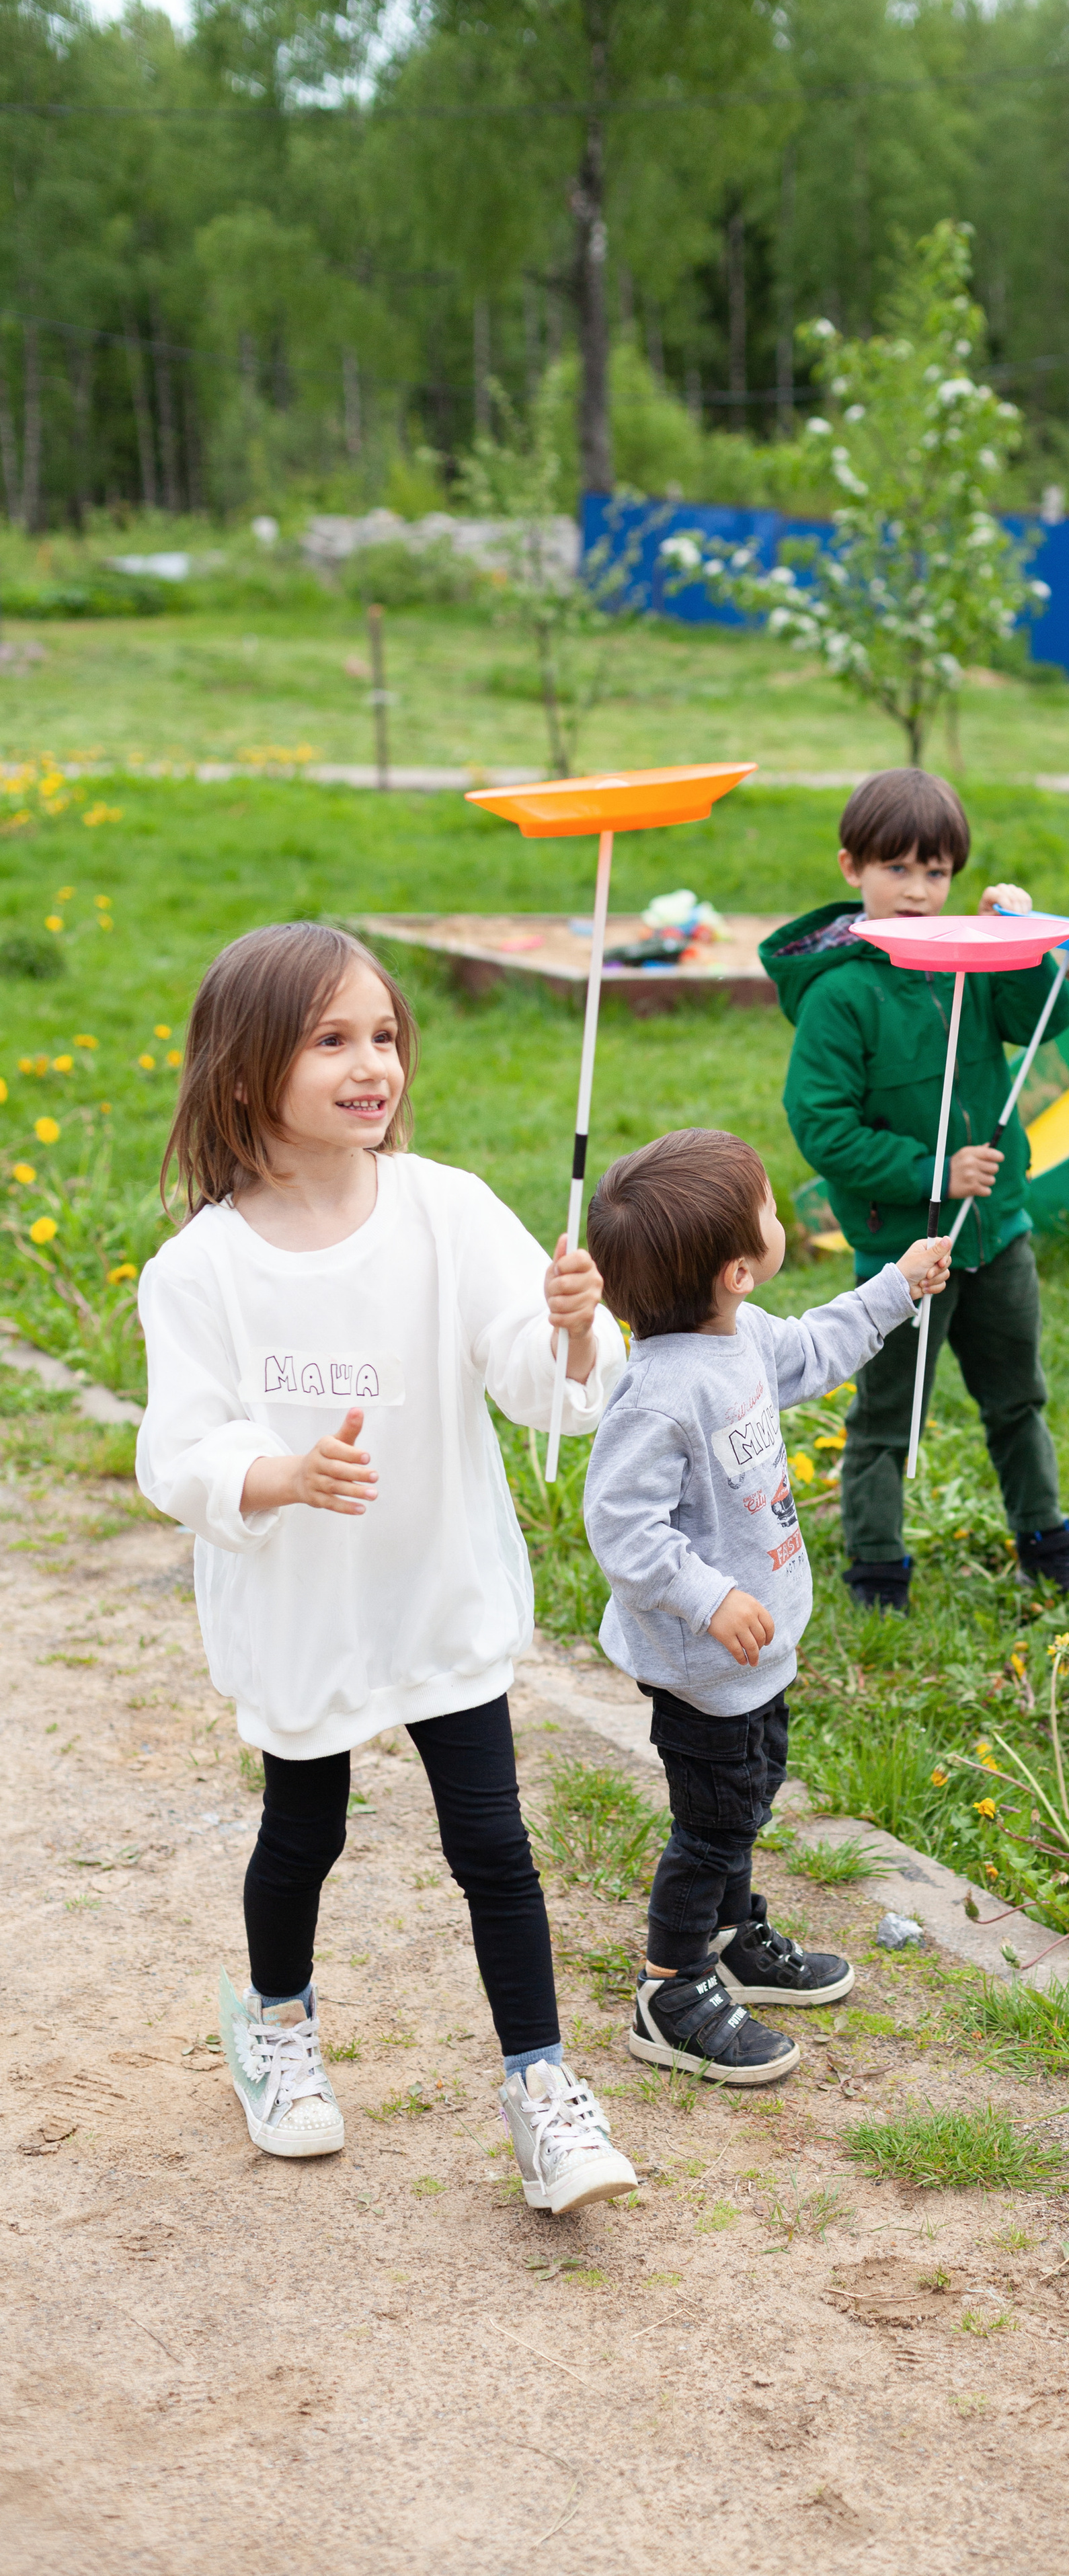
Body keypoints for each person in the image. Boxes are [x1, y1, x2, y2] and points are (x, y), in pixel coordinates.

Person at [136, 923, 639, 2212]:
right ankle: (277, 2023)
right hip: (305, 1609)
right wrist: (284, 1476)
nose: (376, 1066)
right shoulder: (200, 1270)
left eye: (385, 1036)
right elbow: (179, 1452)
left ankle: (541, 2090)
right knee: (304, 1831)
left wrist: (574, 1333)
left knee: (495, 1843)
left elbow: (541, 1387)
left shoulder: (447, 1206)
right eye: (332, 1041)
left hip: (438, 1587)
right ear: (248, 1071)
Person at [582, 1127, 951, 2081]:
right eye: (769, 1211)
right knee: (711, 1823)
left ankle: (737, 1935)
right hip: (705, 1661)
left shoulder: (738, 1335)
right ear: (740, 1268)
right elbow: (623, 1529)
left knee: (748, 1797)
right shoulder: (661, 1396)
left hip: (755, 1651)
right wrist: (709, 1597)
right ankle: (671, 1987)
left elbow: (818, 1347)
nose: (780, 1219)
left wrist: (897, 1288)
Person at [760, 767, 1069, 1614]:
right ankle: (875, 1567)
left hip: (997, 1234)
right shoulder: (840, 994)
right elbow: (823, 1129)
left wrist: (1021, 939)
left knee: (1017, 1396)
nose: (918, 891)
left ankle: (1045, 1543)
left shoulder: (972, 964)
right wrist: (930, 1173)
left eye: (937, 872)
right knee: (888, 1414)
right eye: (897, 869)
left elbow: (1046, 1019)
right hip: (899, 1249)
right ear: (852, 869)